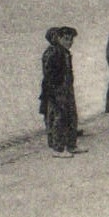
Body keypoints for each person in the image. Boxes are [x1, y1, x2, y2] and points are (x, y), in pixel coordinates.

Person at [39, 26, 82, 157]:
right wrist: (54, 91)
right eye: (66, 39)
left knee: (71, 116)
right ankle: (58, 149)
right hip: (56, 90)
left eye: (71, 39)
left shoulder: (65, 53)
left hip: (66, 89)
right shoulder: (53, 53)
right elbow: (50, 75)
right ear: (58, 38)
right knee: (59, 118)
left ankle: (71, 145)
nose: (70, 42)